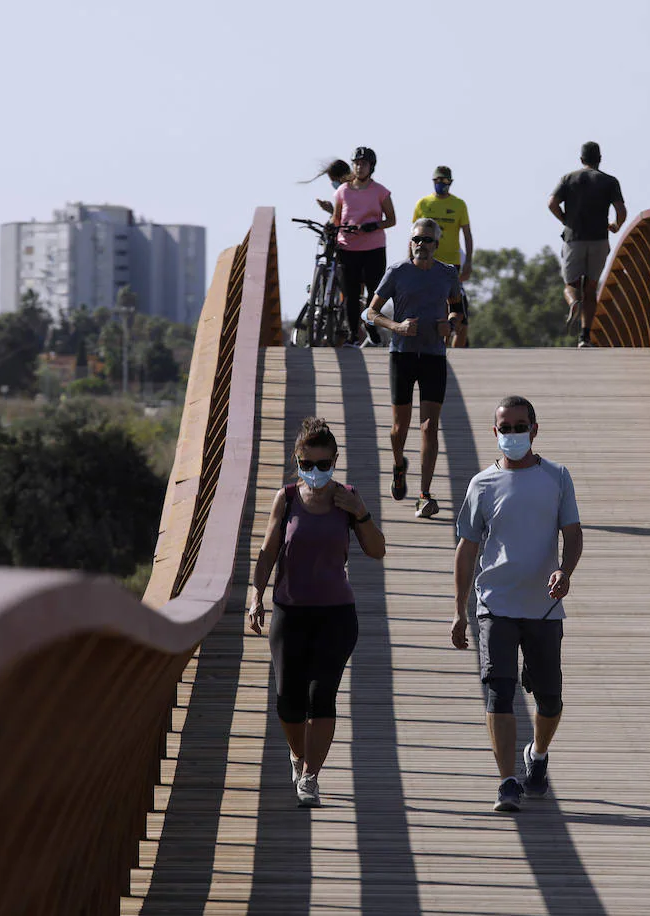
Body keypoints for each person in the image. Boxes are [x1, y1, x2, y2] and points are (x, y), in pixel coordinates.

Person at [451, 396, 582, 812]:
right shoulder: (481, 485)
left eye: (519, 426)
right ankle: (507, 780)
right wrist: (459, 609)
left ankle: (537, 756)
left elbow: (573, 533)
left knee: (550, 700)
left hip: (544, 607)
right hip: (496, 605)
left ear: (534, 429)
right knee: (499, 693)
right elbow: (467, 548)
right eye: (504, 428)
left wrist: (565, 570)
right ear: (494, 433)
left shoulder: (557, 477)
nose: (512, 434)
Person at [249, 417, 385, 807]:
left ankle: (310, 776)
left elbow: (377, 550)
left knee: (320, 696)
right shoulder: (287, 498)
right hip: (290, 612)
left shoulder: (347, 498)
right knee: (287, 702)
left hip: (336, 614)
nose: (315, 472)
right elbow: (268, 551)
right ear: (297, 460)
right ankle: (297, 755)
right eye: (307, 464)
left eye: (323, 464)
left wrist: (361, 512)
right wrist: (255, 595)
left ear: (335, 461)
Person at [364, 218, 463, 519]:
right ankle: (398, 464)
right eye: (417, 239)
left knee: (429, 427)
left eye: (428, 241)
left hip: (433, 355)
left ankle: (424, 494)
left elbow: (458, 308)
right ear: (411, 242)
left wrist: (451, 324)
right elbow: (370, 311)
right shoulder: (398, 272)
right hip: (402, 355)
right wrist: (397, 326)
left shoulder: (448, 273)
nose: (421, 245)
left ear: (436, 245)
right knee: (399, 428)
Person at [547, 141, 627, 349]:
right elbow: (621, 210)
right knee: (591, 288)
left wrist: (565, 219)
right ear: (600, 159)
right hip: (599, 239)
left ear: (581, 159)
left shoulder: (568, 179)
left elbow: (551, 203)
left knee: (571, 285)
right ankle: (584, 337)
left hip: (574, 239)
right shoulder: (610, 181)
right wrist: (616, 226)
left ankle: (573, 303)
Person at [332, 146, 395, 346]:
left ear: (371, 167)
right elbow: (336, 219)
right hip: (348, 247)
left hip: (373, 248)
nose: (359, 167)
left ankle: (369, 324)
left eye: (364, 164)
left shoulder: (380, 192)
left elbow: (391, 219)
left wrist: (375, 225)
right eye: (356, 163)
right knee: (350, 294)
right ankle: (352, 333)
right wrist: (336, 228)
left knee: (373, 291)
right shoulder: (342, 191)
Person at [413, 165, 473, 347]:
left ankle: (458, 353)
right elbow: (413, 235)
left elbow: (467, 235)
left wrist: (468, 262)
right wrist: (411, 261)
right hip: (426, 262)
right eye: (437, 180)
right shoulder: (423, 204)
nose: (440, 184)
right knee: (432, 306)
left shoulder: (458, 204)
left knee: (459, 310)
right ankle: (435, 346)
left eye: (444, 181)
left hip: (452, 264)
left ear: (451, 182)